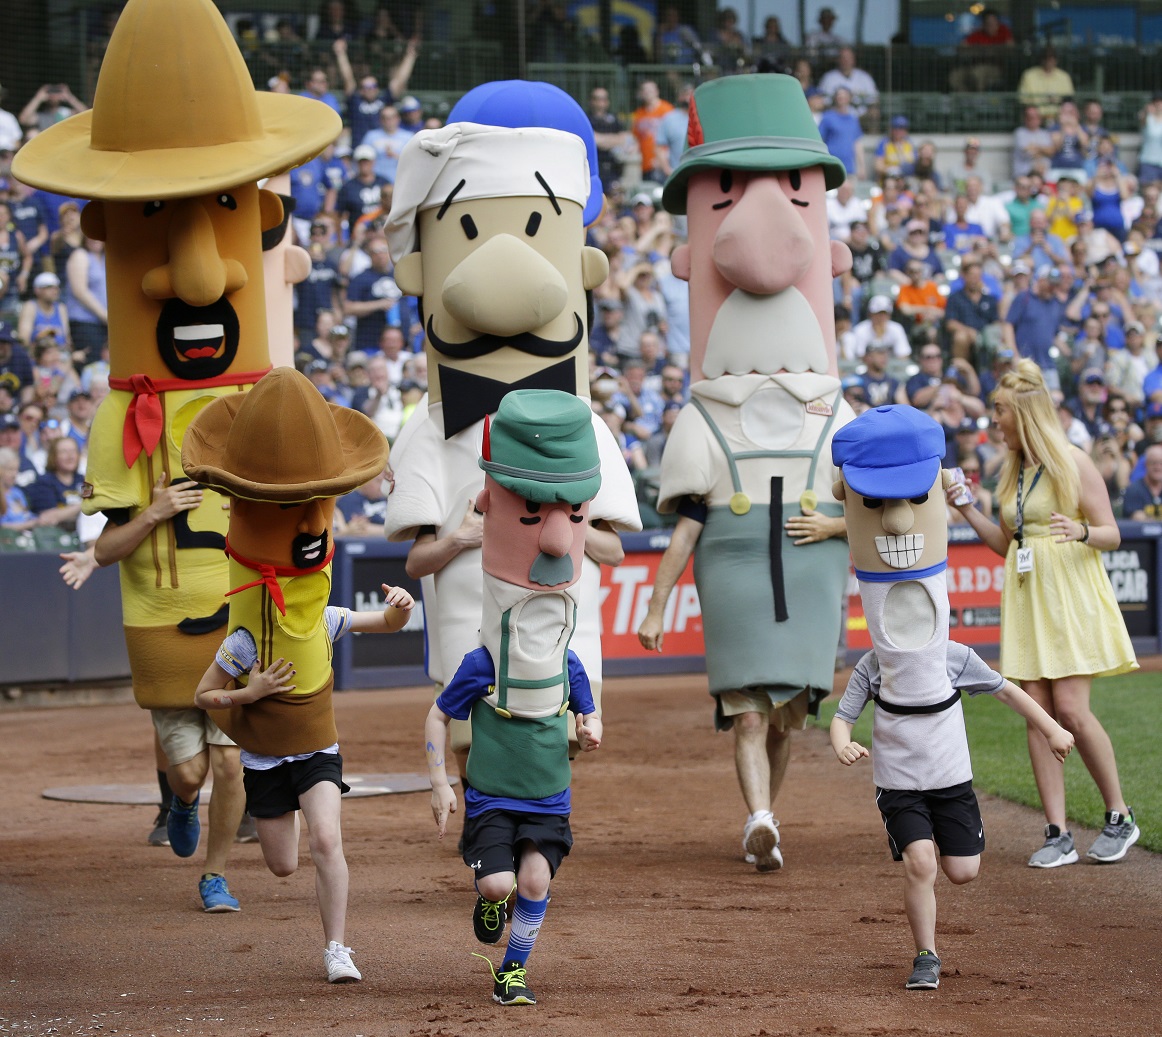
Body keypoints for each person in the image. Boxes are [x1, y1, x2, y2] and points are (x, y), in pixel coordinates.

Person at [12, 0, 343, 912]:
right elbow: (110, 541)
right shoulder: (122, 411)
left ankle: (212, 876)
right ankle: (173, 795)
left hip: (238, 608)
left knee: (234, 759)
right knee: (193, 771)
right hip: (161, 614)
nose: (200, 274)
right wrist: (151, 514)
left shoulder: (258, 395)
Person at [638, 74, 853, 873]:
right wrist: (659, 599)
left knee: (790, 714)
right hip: (732, 565)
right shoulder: (701, 417)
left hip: (811, 562)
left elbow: (872, 509)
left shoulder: (837, 414)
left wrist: (833, 525)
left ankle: (771, 811)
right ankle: (758, 813)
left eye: (795, 192)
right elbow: (688, 518)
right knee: (749, 714)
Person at [830, 404, 1073, 991]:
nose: (892, 522)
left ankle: (951, 855)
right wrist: (844, 742)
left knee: (961, 871)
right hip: (898, 776)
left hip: (949, 771)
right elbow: (843, 715)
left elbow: (1007, 691)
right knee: (919, 863)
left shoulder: (952, 655)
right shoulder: (873, 664)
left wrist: (1052, 727)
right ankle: (926, 955)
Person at [424, 390, 603, 1007]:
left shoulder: (565, 657)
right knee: (499, 884)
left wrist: (590, 719)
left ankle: (513, 970)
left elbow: (582, 693)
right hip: (494, 795)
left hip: (549, 793)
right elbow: (439, 712)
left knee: (533, 877)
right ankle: (489, 901)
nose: (556, 538)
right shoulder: (483, 663)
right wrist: (441, 781)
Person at [947, 360, 1140, 868]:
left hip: (1070, 595)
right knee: (1036, 710)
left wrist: (1080, 532)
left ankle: (1119, 815)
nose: (993, 421)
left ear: (1025, 414)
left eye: (1000, 411)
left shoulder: (1072, 461)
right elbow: (1007, 545)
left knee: (1071, 710)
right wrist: (968, 508)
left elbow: (1112, 534)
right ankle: (1057, 833)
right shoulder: (1013, 470)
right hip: (1030, 595)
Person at [817, 47, 879, 122]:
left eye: (849, 58)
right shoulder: (828, 78)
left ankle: (873, 134)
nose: (846, 60)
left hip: (861, 116)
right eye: (843, 57)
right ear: (838, 60)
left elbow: (874, 99)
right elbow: (821, 100)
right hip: (836, 116)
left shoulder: (864, 77)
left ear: (854, 60)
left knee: (874, 112)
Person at [1017, 47, 1075, 123]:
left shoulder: (1064, 76)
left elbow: (1069, 99)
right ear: (1041, 60)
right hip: (1036, 120)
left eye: (1051, 58)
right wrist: (1040, 102)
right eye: (1046, 58)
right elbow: (1023, 99)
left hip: (1059, 120)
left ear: (1056, 60)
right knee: (1030, 111)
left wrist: (1057, 100)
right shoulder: (1029, 75)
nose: (1048, 61)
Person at [632, 81, 673, 185]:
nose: (647, 93)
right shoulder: (639, 113)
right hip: (645, 164)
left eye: (650, 90)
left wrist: (663, 159)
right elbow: (636, 137)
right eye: (644, 90)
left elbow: (673, 137)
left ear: (657, 91)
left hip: (663, 165)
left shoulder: (667, 109)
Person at [1121, 441, 1162, 519]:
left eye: (1161, 463)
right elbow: (1137, 517)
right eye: (1154, 463)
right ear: (1146, 464)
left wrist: (1148, 515)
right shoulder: (1134, 489)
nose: (1158, 467)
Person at [875, 116, 916, 183]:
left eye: (901, 128)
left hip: (906, 179)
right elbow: (878, 166)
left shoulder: (909, 144)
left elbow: (915, 163)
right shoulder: (885, 143)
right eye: (895, 128)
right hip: (889, 180)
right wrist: (892, 169)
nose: (898, 131)